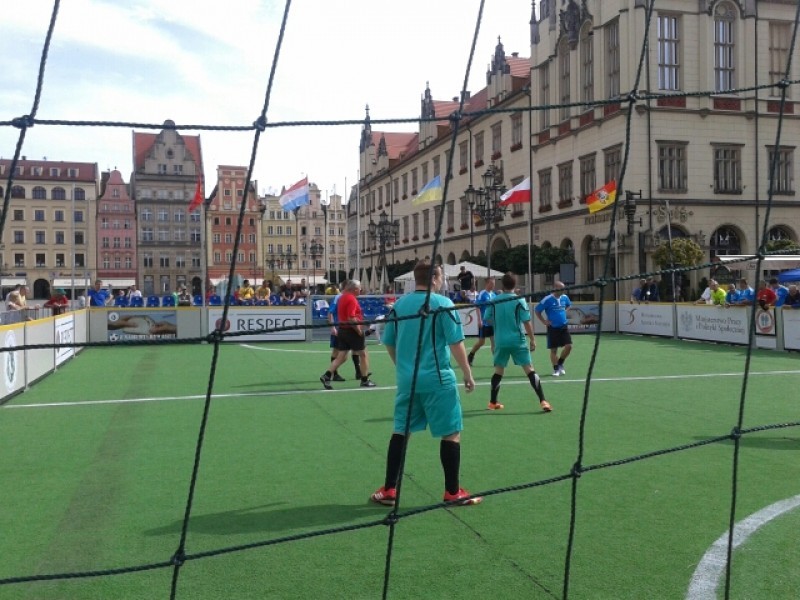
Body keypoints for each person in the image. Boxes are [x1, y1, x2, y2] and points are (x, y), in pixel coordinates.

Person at [370, 260, 481, 507]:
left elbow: (388, 340)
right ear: (434, 278)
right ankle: (453, 492)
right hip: (438, 379)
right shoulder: (443, 304)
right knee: (451, 433)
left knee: (401, 431)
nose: (442, 280)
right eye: (441, 276)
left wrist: (402, 367)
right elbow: (456, 342)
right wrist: (467, 373)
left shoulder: (399, 305)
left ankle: (389, 489)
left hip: (408, 381)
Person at [485, 272, 551, 412]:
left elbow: (487, 318)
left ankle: (492, 402)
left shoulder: (494, 300)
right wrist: (533, 339)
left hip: (500, 341)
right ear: (515, 285)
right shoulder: (519, 300)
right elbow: (526, 322)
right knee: (529, 370)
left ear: (502, 284)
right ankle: (543, 401)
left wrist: (499, 324)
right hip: (517, 340)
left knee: (498, 371)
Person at [320, 279, 376, 389]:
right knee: (363, 354)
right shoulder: (351, 299)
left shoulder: (342, 297)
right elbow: (351, 318)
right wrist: (359, 331)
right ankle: (364, 380)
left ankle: (326, 375)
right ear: (355, 289)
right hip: (351, 331)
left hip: (343, 330)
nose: (361, 290)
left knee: (342, 357)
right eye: (360, 288)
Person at [534, 281, 572, 377]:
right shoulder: (547, 299)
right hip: (553, 328)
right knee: (554, 350)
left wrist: (564, 312)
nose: (563, 290)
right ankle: (556, 369)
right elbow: (537, 310)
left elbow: (569, 305)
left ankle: (560, 363)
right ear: (555, 288)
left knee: (569, 346)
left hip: (564, 326)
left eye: (563, 288)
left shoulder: (565, 297)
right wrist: (544, 321)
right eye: (561, 288)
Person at [325, 282, 362, 382]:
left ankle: (359, 372)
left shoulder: (350, 297)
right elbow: (330, 312)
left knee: (356, 350)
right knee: (339, 353)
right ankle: (333, 374)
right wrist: (333, 327)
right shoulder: (339, 297)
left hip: (348, 328)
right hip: (341, 328)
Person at [467, 277, 496, 365]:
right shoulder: (482, 294)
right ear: (487, 283)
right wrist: (479, 320)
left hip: (492, 322)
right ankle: (471, 355)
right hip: (484, 322)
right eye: (492, 283)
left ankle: (496, 360)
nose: (493, 285)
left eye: (494, 283)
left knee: (494, 341)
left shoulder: (494, 294)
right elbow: (477, 307)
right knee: (481, 342)